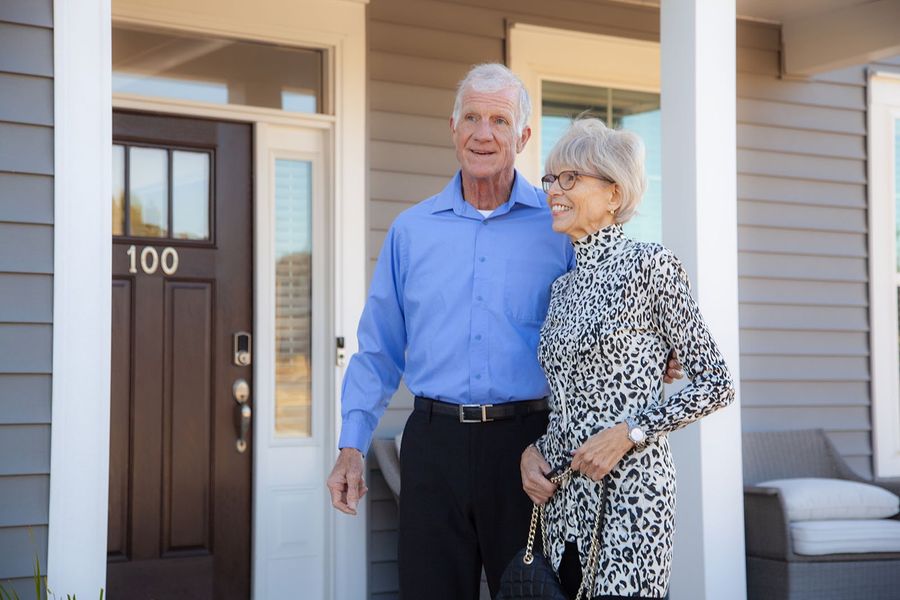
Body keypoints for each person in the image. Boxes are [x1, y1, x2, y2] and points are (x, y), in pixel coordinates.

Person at [326, 64, 682, 599]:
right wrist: (351, 445)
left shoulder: (559, 227)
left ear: (523, 136)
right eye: (471, 117)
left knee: (532, 591)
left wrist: (658, 352)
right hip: (434, 445)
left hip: (530, 450)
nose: (483, 133)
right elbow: (378, 352)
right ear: (453, 128)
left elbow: (609, 317)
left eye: (499, 120)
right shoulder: (411, 232)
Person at [520, 118, 735, 599]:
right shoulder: (561, 289)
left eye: (570, 178)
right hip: (564, 503)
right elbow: (569, 403)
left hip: (633, 499)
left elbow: (716, 383)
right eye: (551, 178)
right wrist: (533, 453)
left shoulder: (650, 265)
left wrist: (629, 433)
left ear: (614, 194)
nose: (553, 190)